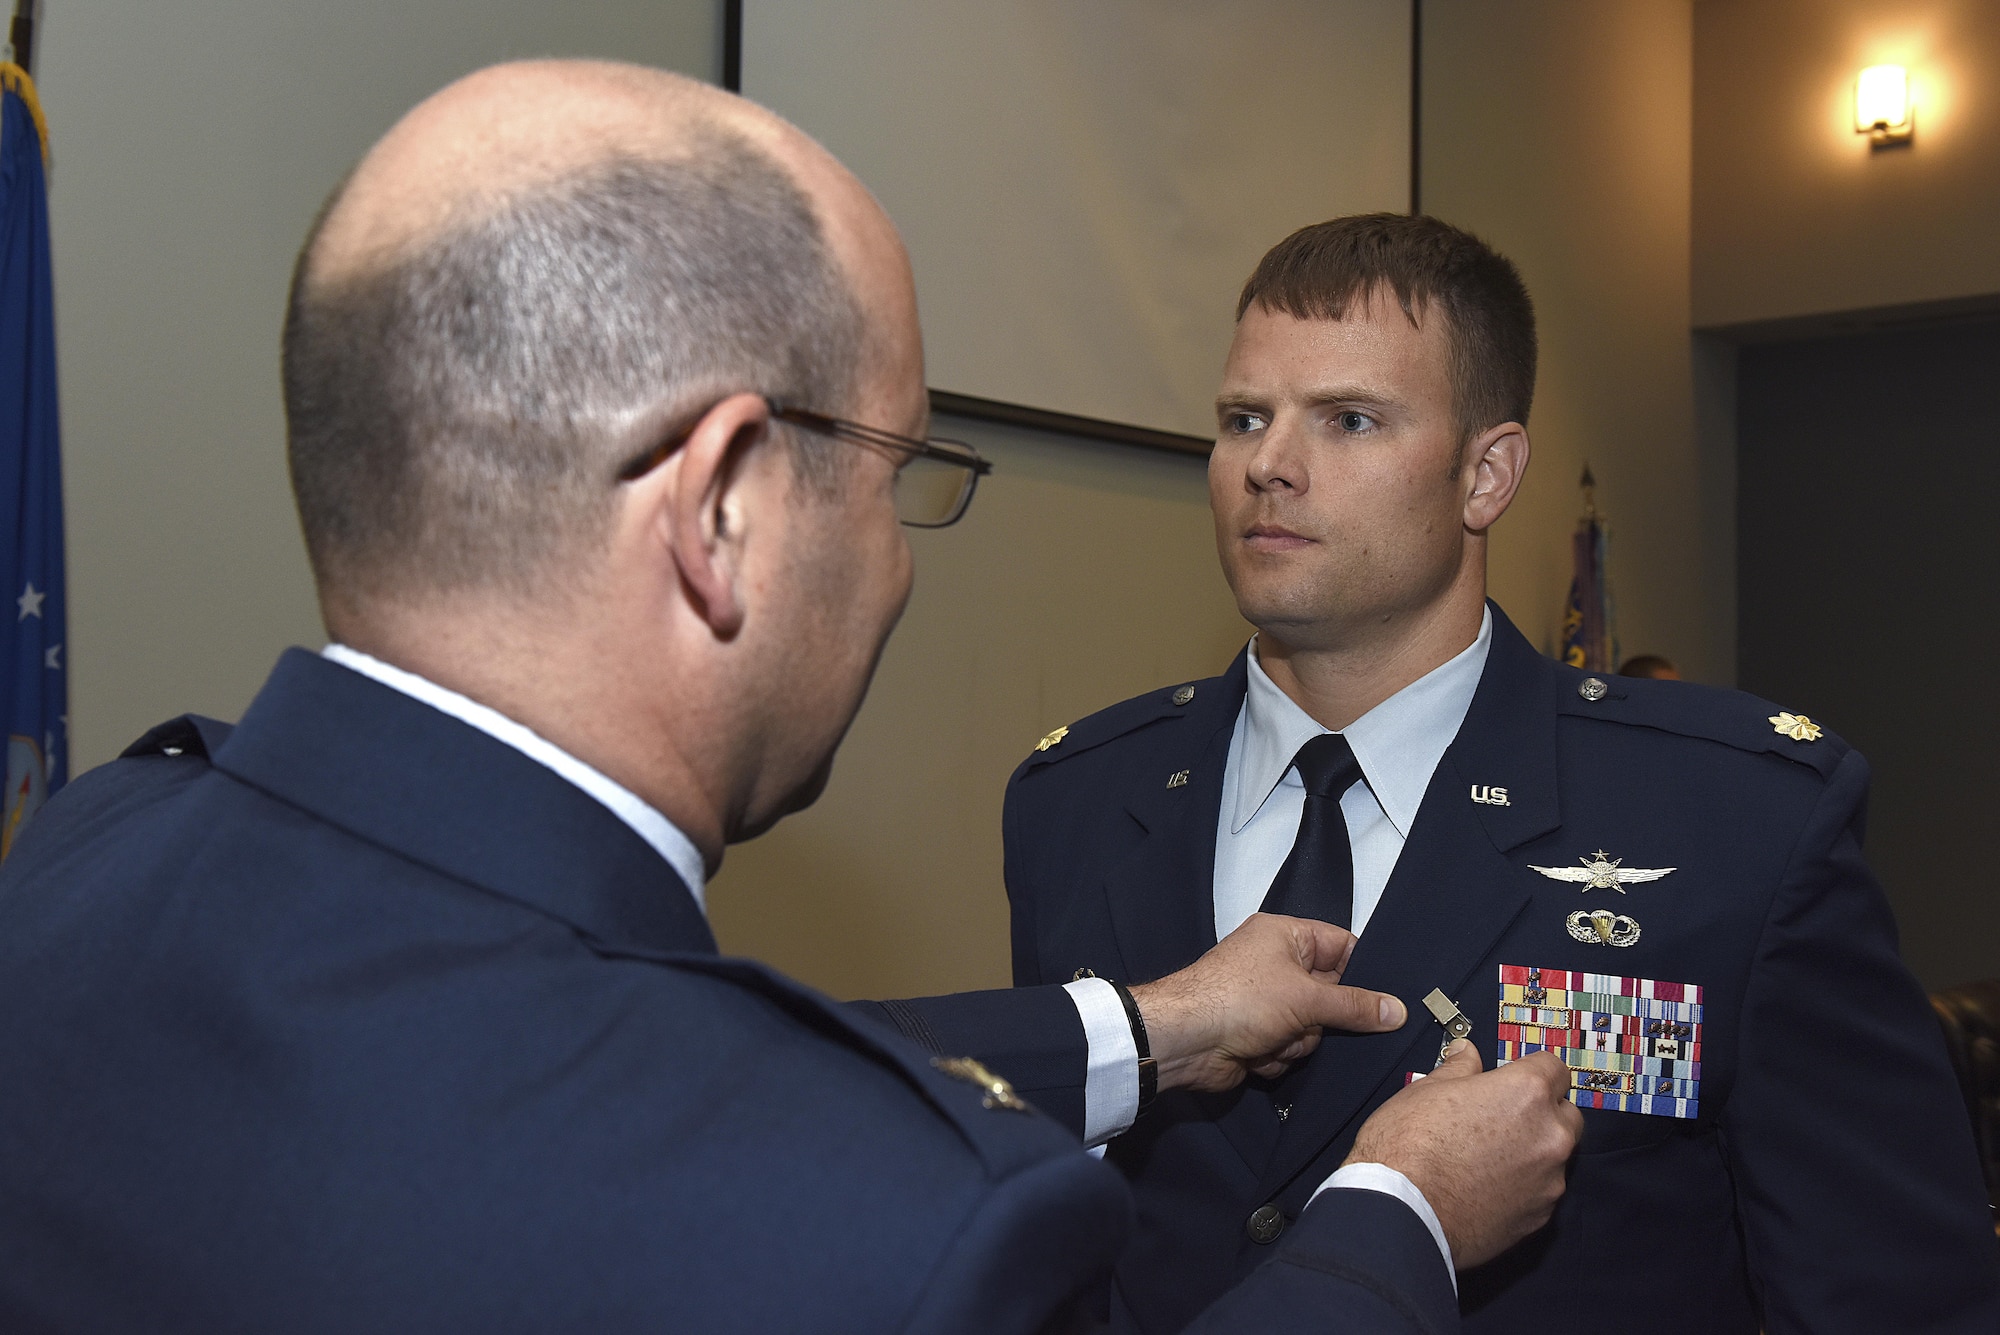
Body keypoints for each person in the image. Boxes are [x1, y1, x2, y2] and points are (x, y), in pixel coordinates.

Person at [0, 65, 1583, 1332]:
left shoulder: (84, 854)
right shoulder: (894, 1231)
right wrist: (1399, 1219)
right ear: (724, 507)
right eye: (898, 474)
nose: (899, 564)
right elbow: (702, 1100)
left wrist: (1141, 1026)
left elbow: (603, 1044)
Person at [1000, 214, 2000, 1333]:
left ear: (1486, 473)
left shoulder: (1736, 822)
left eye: (1347, 419)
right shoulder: (1078, 800)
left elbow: (1889, 1297)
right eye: (1243, 418)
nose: (1267, 465)